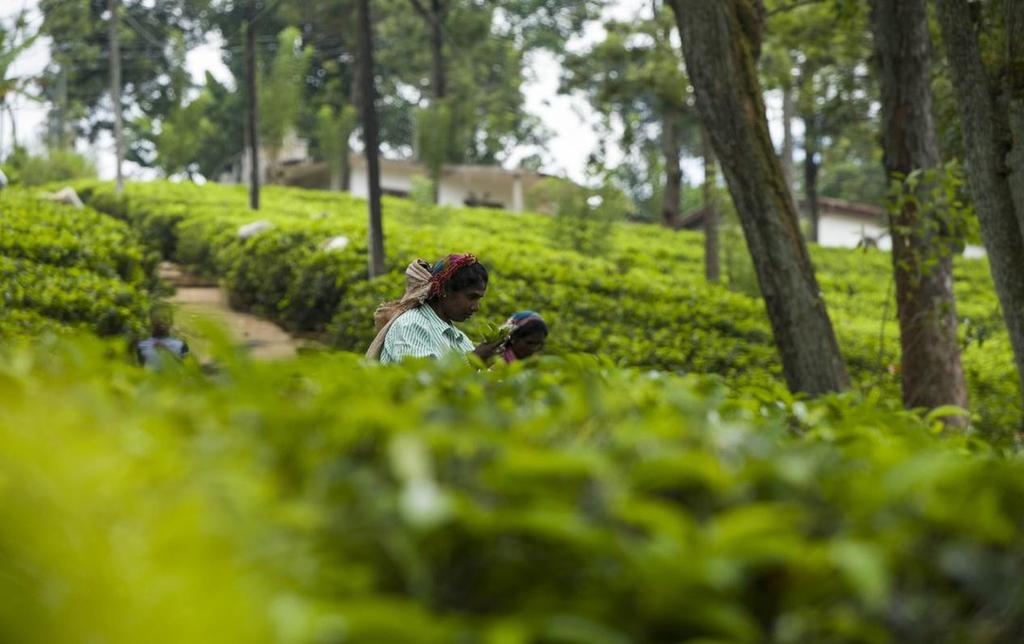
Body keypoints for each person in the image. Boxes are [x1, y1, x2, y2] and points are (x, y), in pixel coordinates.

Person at [367, 254, 505, 364]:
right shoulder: (411, 325)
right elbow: (422, 386)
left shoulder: (458, 338)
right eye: (471, 297)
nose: (476, 307)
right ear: (445, 289)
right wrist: (473, 360)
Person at [134, 303, 190, 369]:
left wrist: (166, 351)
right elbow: (139, 370)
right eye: (157, 318)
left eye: (165, 318)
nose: (161, 321)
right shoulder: (142, 345)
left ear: (171, 321)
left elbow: (187, 369)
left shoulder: (181, 344)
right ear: (151, 321)